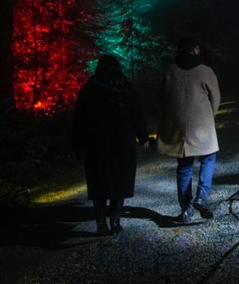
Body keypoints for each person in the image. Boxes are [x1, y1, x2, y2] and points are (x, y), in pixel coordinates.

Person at [72, 55, 149, 235]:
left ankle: (100, 217)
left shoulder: (89, 89)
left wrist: (77, 143)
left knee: (99, 180)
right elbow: (137, 114)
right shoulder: (126, 88)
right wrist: (143, 136)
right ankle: (115, 218)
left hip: (96, 143)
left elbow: (79, 119)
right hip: (122, 142)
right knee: (120, 180)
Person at [157, 36, 221, 223]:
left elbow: (161, 99)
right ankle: (202, 196)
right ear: (195, 50)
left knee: (184, 167)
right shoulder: (205, 71)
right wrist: (210, 116)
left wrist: (169, 118)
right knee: (208, 158)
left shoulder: (169, 71)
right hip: (202, 125)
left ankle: (186, 209)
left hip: (178, 128)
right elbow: (215, 99)